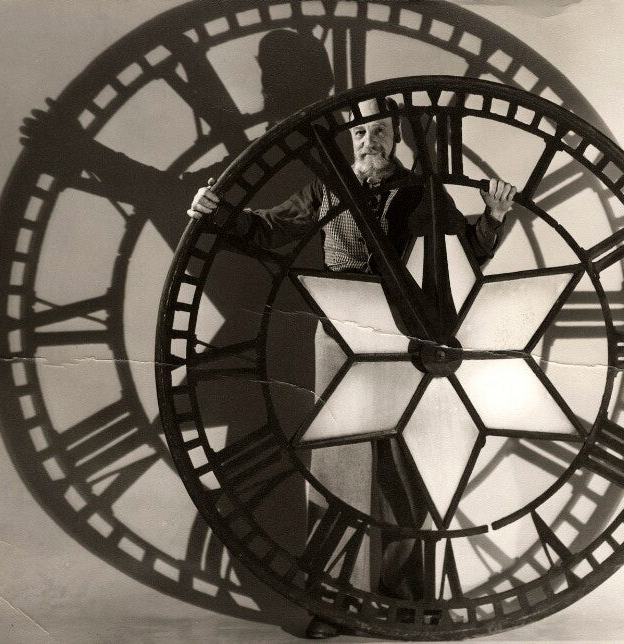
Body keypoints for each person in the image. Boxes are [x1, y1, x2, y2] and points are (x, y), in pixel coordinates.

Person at [188, 97, 517, 638]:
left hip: (403, 343)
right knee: (336, 473)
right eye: (362, 132)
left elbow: (462, 257)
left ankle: (410, 604)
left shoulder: (421, 192)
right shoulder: (324, 190)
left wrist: (494, 218)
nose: (370, 141)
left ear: (396, 138)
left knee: (407, 475)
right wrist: (217, 211)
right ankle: (336, 604)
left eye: (381, 131)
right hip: (339, 339)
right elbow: (268, 228)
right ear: (350, 139)